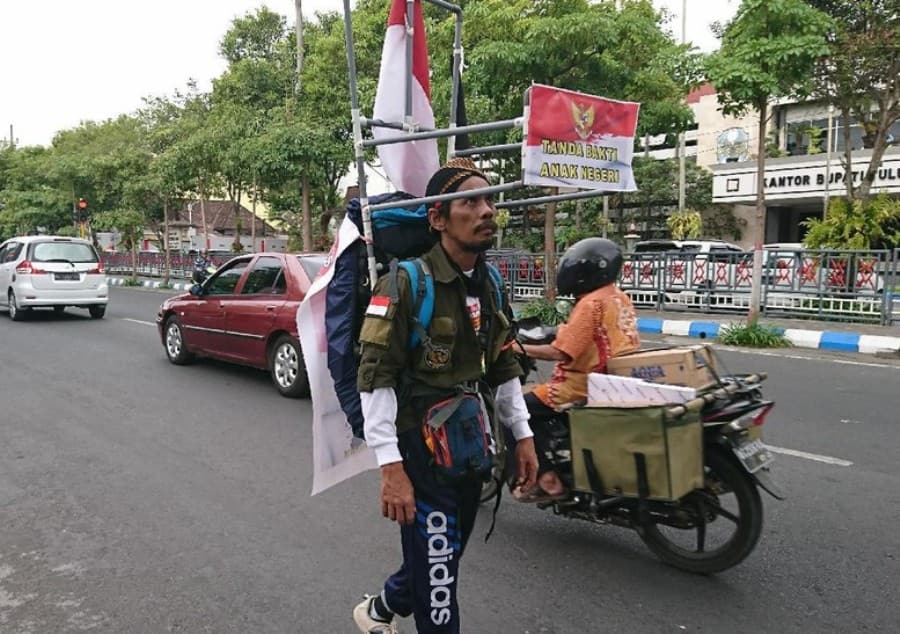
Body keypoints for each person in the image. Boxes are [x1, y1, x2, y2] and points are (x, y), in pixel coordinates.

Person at [353, 157, 539, 634]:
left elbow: (502, 363)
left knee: (443, 555)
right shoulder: (404, 285)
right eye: (469, 201)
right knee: (440, 583)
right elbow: (376, 378)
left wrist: (522, 436)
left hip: (469, 448)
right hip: (420, 452)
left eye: (490, 200)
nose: (487, 210)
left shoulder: (491, 284)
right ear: (437, 219)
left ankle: (379, 609)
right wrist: (390, 468)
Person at [516, 237, 640, 503]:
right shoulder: (618, 298)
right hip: (618, 381)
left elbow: (560, 352)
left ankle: (548, 480)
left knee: (519, 409)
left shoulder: (590, 304)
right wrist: (559, 331)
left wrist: (518, 350)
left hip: (584, 386)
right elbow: (594, 335)